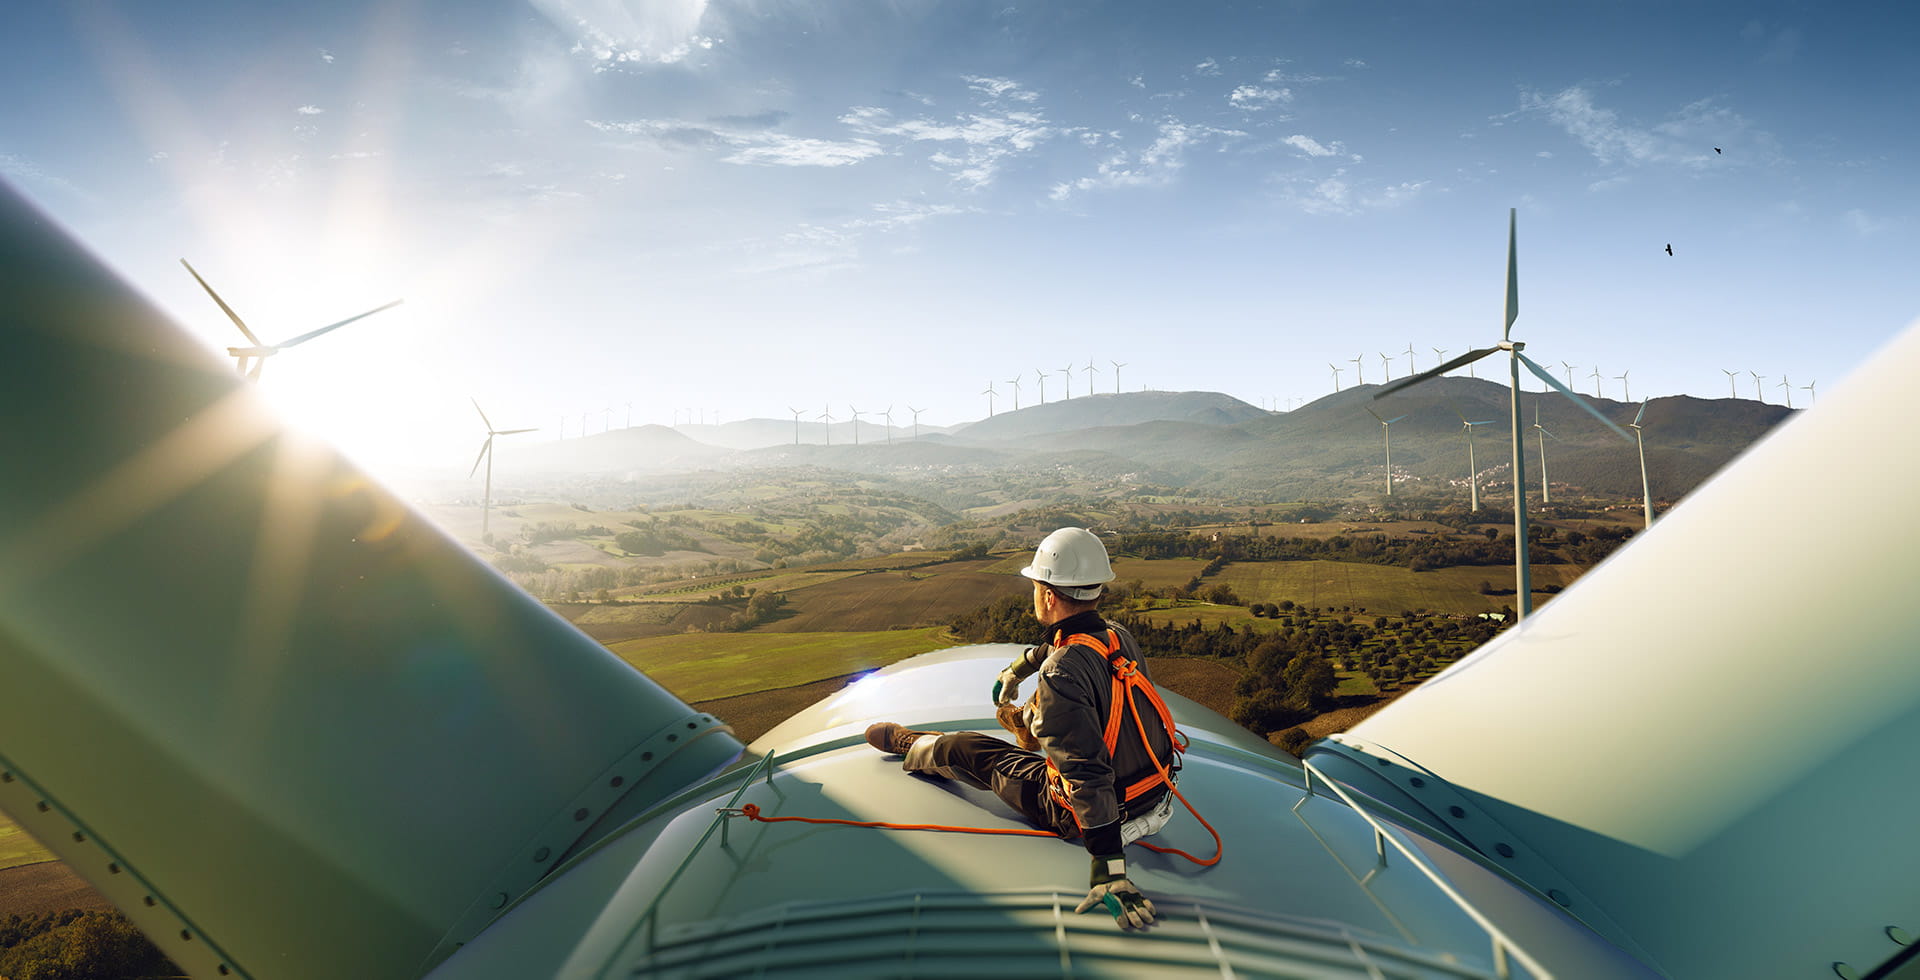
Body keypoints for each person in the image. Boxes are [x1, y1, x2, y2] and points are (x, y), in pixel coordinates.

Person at [865, 527, 1178, 931]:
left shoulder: (1061, 673)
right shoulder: (1116, 635)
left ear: (1048, 595)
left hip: (1098, 816)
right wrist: (1018, 668)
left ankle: (916, 745)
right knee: (1056, 710)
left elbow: (1087, 774)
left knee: (968, 748)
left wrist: (1109, 868)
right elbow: (1063, 646)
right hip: (1157, 796)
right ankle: (1029, 723)